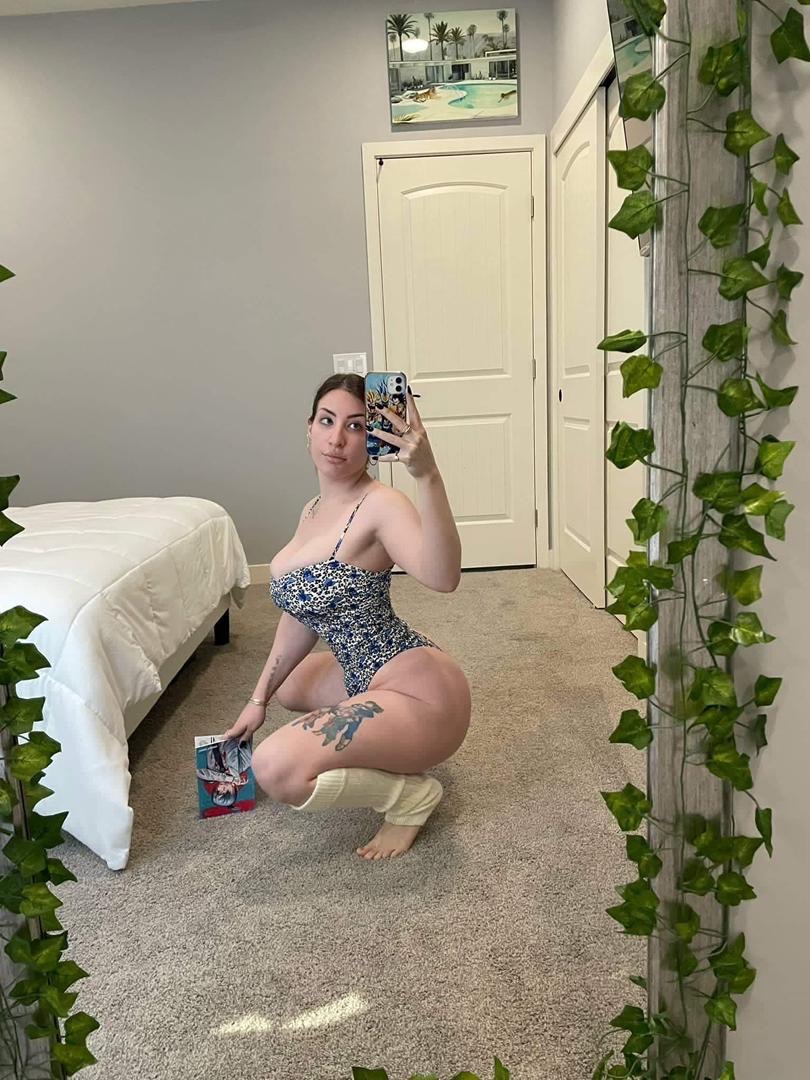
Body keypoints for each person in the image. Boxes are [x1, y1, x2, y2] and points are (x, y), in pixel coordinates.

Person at [225, 373, 471, 860]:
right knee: (289, 687)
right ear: (309, 427)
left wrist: (428, 475)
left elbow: (444, 578)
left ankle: (411, 796)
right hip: (362, 675)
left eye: (356, 426)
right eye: (327, 421)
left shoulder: (382, 505)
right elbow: (303, 611)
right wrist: (257, 699)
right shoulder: (313, 508)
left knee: (274, 768)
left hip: (424, 694)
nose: (337, 438)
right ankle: (381, 741)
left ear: (373, 438)